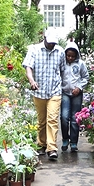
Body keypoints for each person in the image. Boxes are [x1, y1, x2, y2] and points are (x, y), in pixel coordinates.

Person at [22, 28, 65, 160]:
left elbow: (62, 70)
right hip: (39, 91)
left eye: (54, 43)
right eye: (50, 42)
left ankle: (51, 148)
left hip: (54, 91)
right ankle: (41, 143)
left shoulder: (60, 51)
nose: (52, 45)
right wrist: (31, 80)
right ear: (44, 38)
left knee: (52, 119)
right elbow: (28, 67)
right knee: (42, 121)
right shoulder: (34, 49)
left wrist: (61, 84)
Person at [60, 41, 89, 152]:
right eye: (68, 55)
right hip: (65, 93)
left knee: (74, 118)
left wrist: (79, 88)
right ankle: (65, 139)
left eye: (73, 56)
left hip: (76, 94)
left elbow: (85, 77)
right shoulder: (62, 63)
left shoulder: (80, 64)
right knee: (64, 116)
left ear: (76, 55)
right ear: (65, 54)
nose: (70, 58)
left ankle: (73, 142)